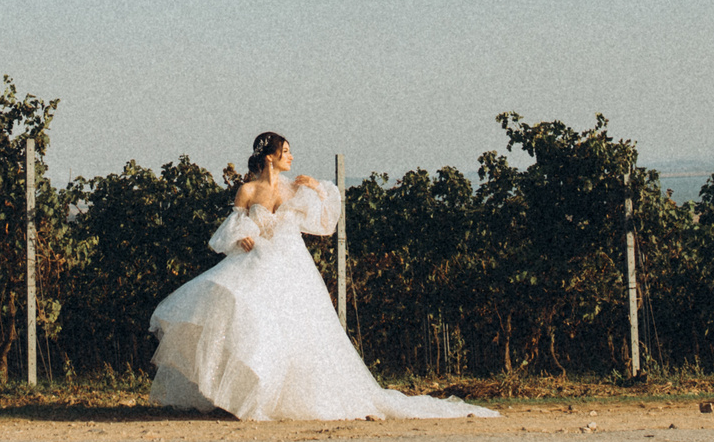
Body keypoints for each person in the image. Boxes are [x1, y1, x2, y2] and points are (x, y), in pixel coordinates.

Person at [148, 132, 496, 421]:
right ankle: (247, 396)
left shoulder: (292, 188)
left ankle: (282, 399)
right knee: (252, 321)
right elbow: (232, 229)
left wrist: (315, 187)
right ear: (269, 157)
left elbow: (325, 220)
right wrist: (243, 236)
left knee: (301, 328)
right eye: (285, 152)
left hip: (290, 263)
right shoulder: (248, 191)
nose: (291, 157)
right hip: (257, 261)